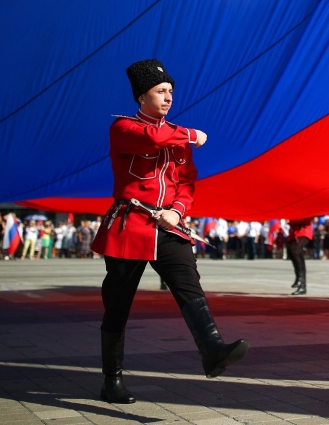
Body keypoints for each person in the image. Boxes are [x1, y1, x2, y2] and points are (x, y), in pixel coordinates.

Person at [91, 59, 248, 404]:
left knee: (188, 280)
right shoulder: (124, 128)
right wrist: (193, 134)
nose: (168, 97)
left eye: (171, 92)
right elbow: (154, 136)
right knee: (117, 305)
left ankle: (212, 350)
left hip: (167, 225)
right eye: (161, 92)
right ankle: (111, 380)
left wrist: (177, 212)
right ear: (141, 97)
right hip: (129, 225)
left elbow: (187, 181)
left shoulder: (175, 134)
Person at [286, 217, 313, 295]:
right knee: (292, 252)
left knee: (295, 251)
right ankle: (301, 284)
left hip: (304, 229)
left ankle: (300, 279)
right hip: (295, 230)